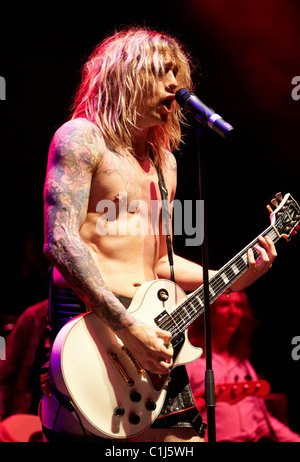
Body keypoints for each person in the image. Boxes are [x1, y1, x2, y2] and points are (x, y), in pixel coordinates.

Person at [40, 26, 277, 442]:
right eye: (164, 72)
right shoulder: (82, 139)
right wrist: (127, 324)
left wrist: (233, 275)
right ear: (128, 75)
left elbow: (160, 262)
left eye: (178, 75)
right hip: (94, 328)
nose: (176, 85)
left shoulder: (164, 162)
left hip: (156, 330)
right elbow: (61, 239)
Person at [186, 291, 300, 442]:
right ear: (207, 312)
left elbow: (262, 418)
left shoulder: (243, 363)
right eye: (224, 304)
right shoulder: (191, 362)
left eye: (238, 305)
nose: (233, 312)